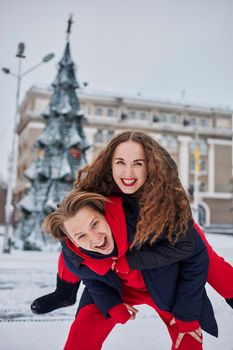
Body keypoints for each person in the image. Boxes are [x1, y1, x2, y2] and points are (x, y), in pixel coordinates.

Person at [31, 130, 233, 316]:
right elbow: (71, 221)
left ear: (151, 165)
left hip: (163, 227)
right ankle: (64, 293)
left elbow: (186, 247)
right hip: (117, 232)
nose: (128, 173)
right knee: (75, 243)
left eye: (138, 163)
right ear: (110, 163)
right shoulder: (100, 184)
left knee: (208, 259)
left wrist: (133, 261)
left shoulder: (167, 194)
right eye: (120, 162)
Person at [41, 189, 217, 350]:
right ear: (73, 242)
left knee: (188, 338)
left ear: (105, 214)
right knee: (81, 337)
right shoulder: (75, 256)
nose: (96, 239)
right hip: (115, 287)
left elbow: (194, 260)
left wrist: (187, 316)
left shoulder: (141, 222)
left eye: (94, 224)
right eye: (81, 236)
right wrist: (111, 305)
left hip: (164, 282)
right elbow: (92, 280)